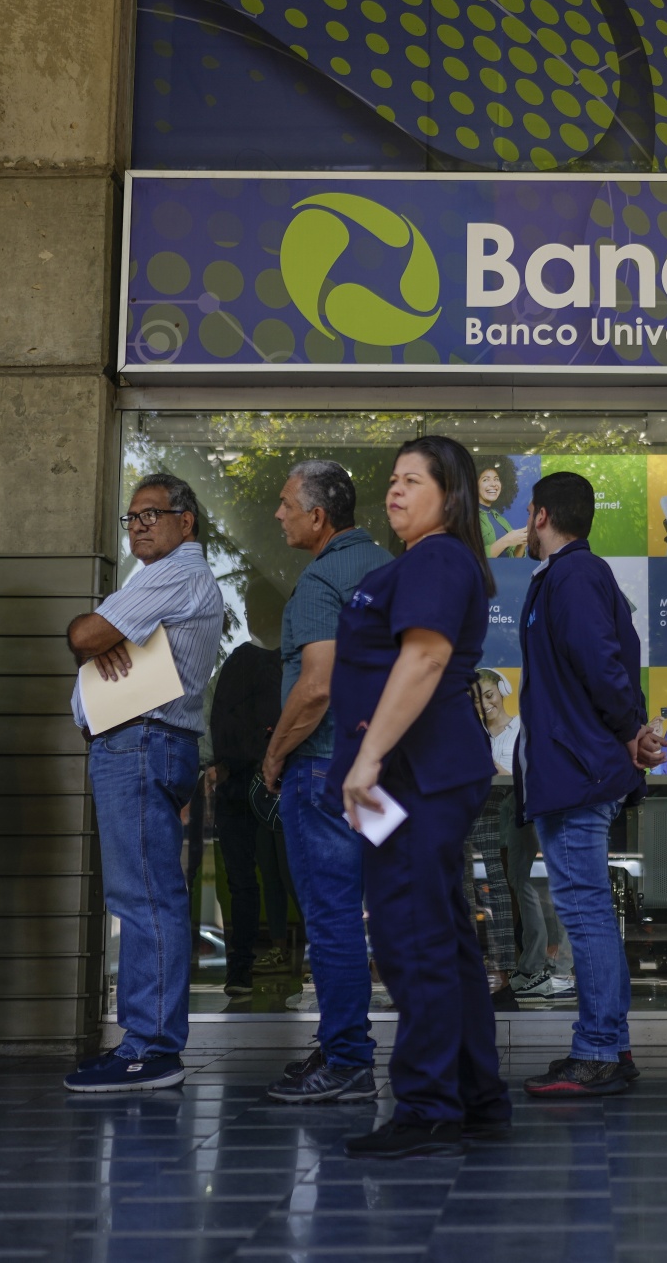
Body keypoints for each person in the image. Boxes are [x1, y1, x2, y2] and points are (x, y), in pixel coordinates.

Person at [331, 435, 509, 1158]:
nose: (395, 491)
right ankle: (473, 1095)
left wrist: (369, 757)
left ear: (451, 494)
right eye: (393, 480)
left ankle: (429, 1106)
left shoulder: (436, 558)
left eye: (413, 480)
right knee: (441, 935)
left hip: (415, 774)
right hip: (422, 772)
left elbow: (427, 656)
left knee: (411, 937)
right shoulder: (425, 560)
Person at [62, 474, 224, 1092]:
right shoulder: (155, 577)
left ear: (186, 521)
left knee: (145, 898)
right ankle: (146, 1042)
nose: (137, 527)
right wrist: (101, 636)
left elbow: (85, 635)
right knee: (145, 895)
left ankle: (150, 1049)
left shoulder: (175, 573)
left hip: (141, 743)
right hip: (141, 743)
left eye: (150, 514)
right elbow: (95, 640)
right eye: (131, 518)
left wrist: (97, 634)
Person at [515, 470, 664, 1098]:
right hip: (575, 767)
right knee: (587, 910)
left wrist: (630, 729)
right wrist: (630, 730)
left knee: (584, 911)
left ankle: (599, 1049)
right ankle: (609, 1044)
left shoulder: (574, 574)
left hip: (578, 771)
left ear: (541, 515)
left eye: (528, 514)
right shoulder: (570, 574)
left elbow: (602, 663)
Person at [261, 459, 390, 1105]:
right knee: (387, 910)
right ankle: (344, 1040)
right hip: (382, 770)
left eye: (287, 504)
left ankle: (346, 1059)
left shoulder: (320, 580)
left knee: (333, 916)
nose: (278, 514)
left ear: (317, 515)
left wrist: (273, 755)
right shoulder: (388, 567)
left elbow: (315, 687)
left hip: (321, 767)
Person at [204, 607, 289, 996]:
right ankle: (253, 964)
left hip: (241, 782)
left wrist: (215, 765)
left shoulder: (237, 664)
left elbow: (213, 719)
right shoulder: (284, 664)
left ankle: (241, 968)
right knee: (282, 877)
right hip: (272, 781)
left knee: (246, 881)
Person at [476, 670, 574, 998]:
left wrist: (490, 766)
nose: (484, 704)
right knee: (519, 884)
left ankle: (558, 971)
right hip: (496, 819)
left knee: (541, 886)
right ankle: (532, 965)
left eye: (489, 694)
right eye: (477, 698)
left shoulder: (523, 727)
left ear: (502, 691)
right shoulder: (475, 733)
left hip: (530, 809)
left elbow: (529, 773)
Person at [477, 459, 528, 558]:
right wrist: (506, 541)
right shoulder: (467, 517)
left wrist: (522, 543)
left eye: (496, 479)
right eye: (486, 480)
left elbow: (513, 560)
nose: (493, 484)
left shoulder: (500, 520)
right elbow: (469, 557)